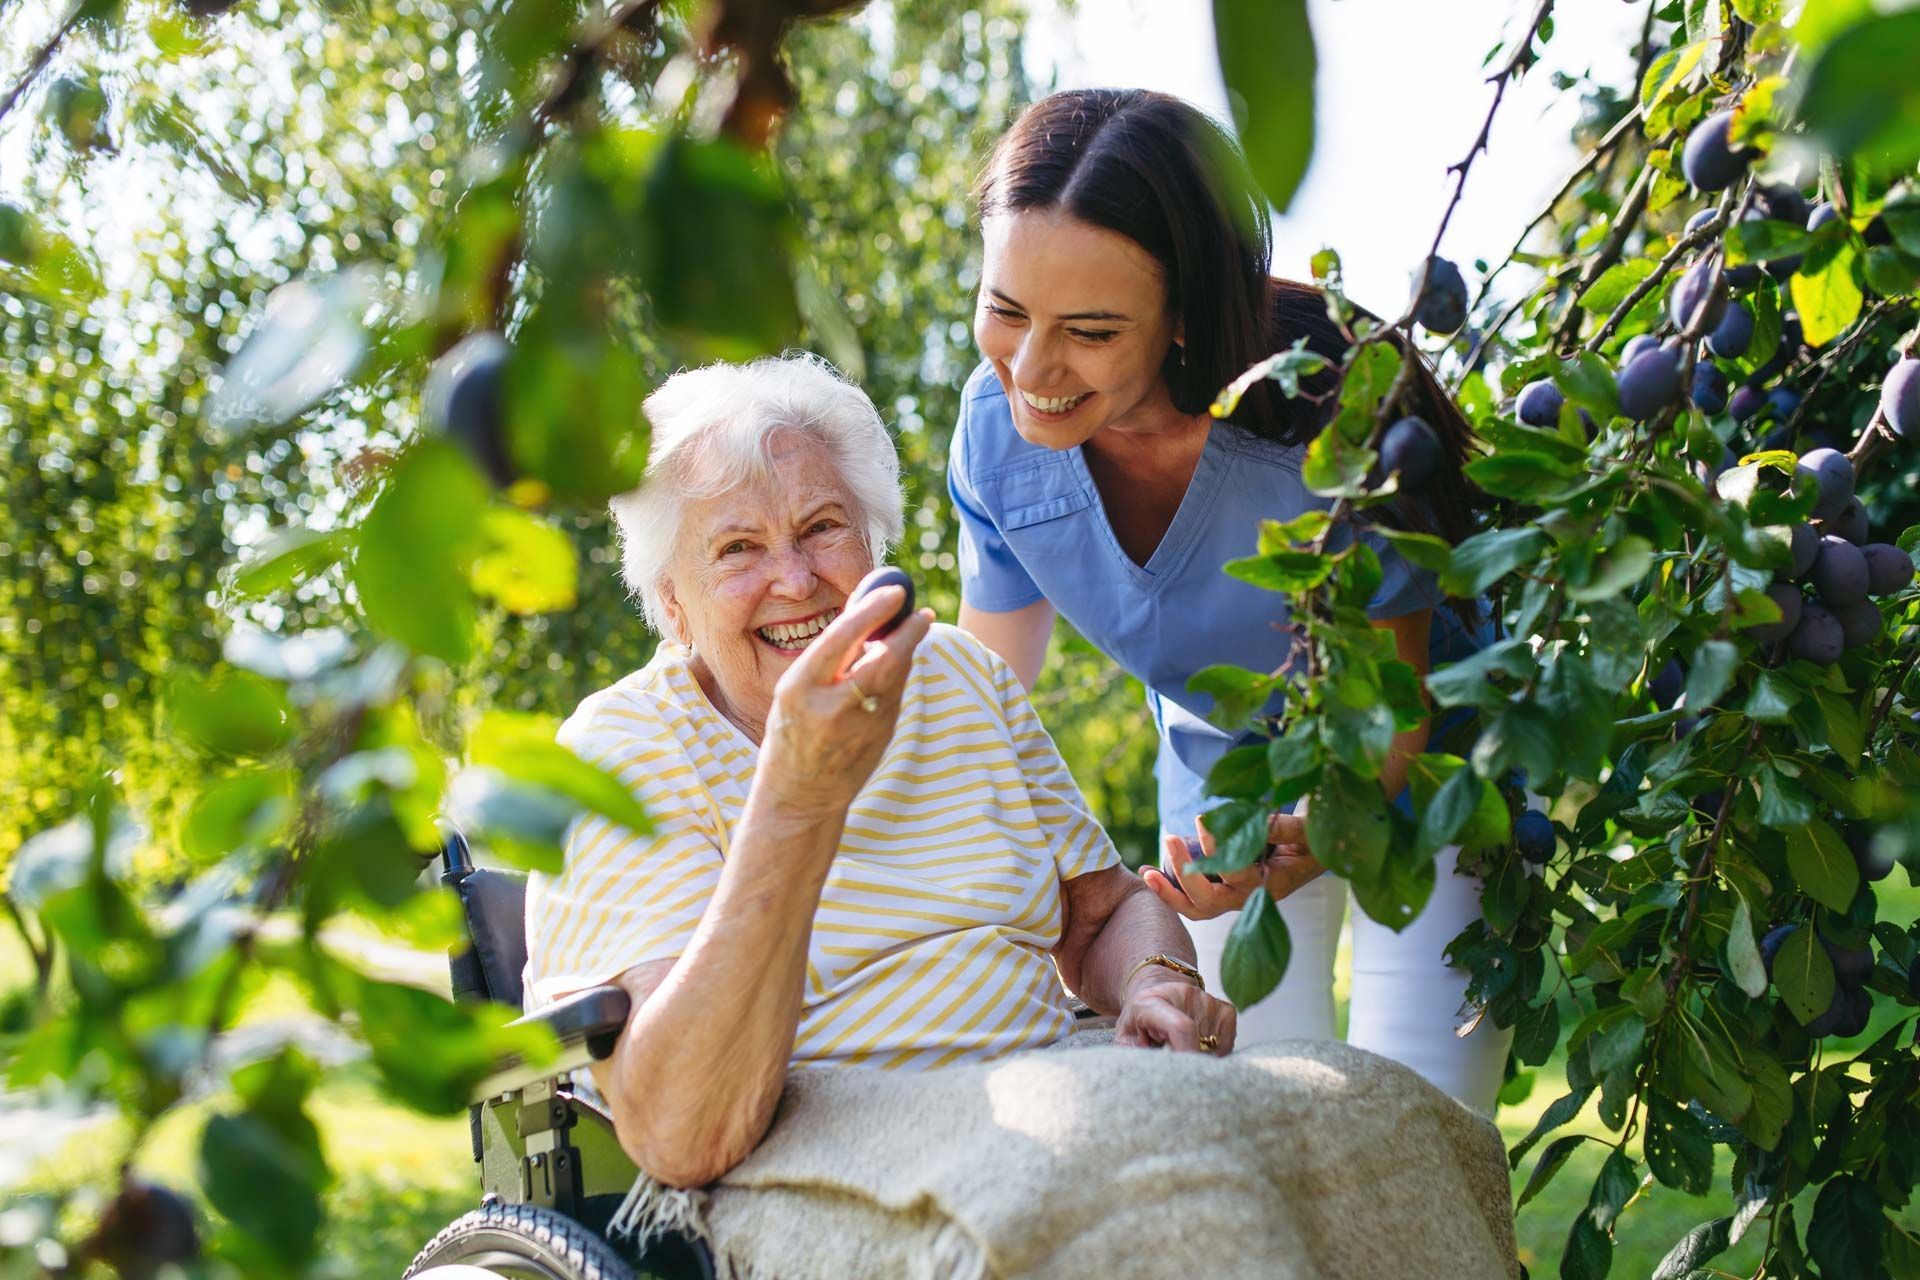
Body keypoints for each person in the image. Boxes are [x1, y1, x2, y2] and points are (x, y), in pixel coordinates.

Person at [520, 353, 1238, 1189]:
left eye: (822, 527)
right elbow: (686, 1131)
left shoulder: (960, 673)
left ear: (872, 542)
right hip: (821, 1157)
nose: (795, 581)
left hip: (1050, 1094)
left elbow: (1103, 911)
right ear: (672, 600)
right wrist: (798, 795)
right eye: (738, 547)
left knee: (1336, 1117)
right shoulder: (622, 750)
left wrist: (1157, 979)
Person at [948, 88, 1511, 1115]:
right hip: (1222, 808)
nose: (1030, 368)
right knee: (1253, 1127)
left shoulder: (1330, 434)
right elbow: (984, 705)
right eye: (1006, 308)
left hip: (1424, 785)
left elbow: (1396, 718)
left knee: (1430, 1136)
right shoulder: (993, 439)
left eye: (1090, 329)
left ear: (1182, 319)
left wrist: (1306, 838)